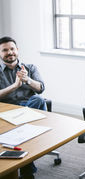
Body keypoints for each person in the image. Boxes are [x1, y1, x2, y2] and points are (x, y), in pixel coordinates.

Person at [0, 36, 47, 179]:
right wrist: (14, 86)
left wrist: (28, 80)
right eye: (5, 50)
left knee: (38, 100)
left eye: (12, 49)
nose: (10, 52)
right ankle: (28, 171)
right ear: (0, 53)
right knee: (25, 133)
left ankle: (26, 170)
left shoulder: (30, 68)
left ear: (17, 50)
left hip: (28, 109)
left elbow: (40, 88)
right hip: (7, 110)